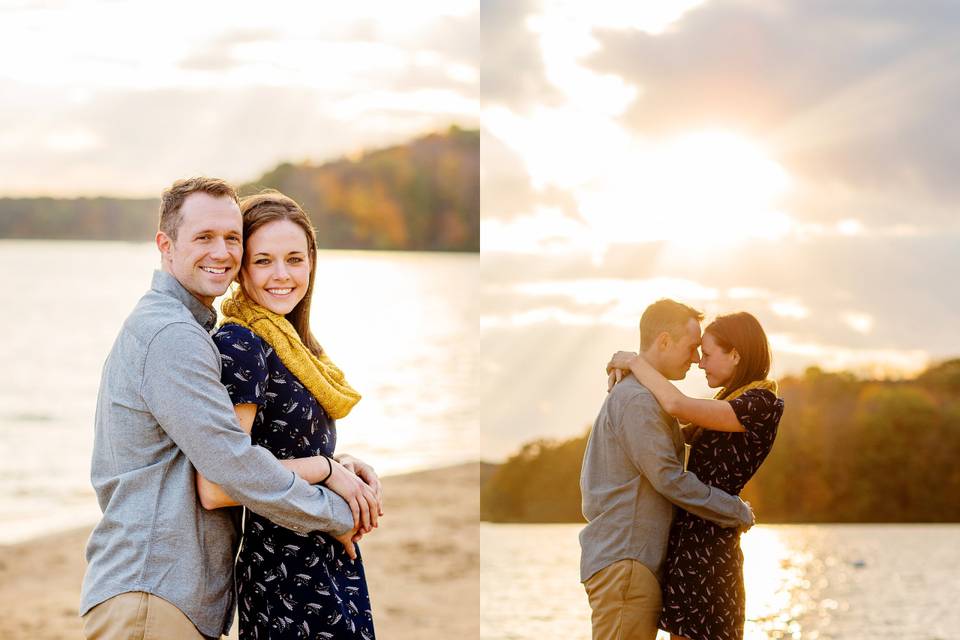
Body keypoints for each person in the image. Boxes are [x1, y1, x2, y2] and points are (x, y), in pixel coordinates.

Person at [80, 177, 379, 640]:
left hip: (171, 596)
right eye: (203, 237)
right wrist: (336, 507)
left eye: (231, 238)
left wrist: (334, 466)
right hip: (152, 593)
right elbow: (227, 473)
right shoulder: (173, 336)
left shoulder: (192, 330)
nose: (221, 252)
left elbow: (238, 451)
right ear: (165, 245)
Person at [196, 190, 378, 639]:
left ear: (312, 262)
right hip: (284, 571)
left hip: (326, 554)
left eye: (295, 259)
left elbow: (283, 445)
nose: (282, 275)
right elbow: (220, 485)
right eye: (263, 261)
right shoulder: (243, 346)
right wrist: (325, 469)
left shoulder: (294, 345)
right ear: (240, 268)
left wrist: (344, 465)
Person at [579, 298, 755, 640]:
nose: (695, 358)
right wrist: (733, 509)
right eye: (691, 347)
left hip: (628, 562)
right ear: (663, 341)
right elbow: (669, 479)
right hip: (626, 563)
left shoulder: (642, 396)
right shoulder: (638, 401)